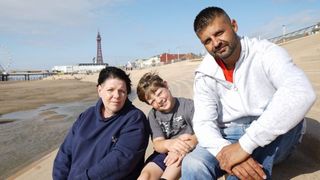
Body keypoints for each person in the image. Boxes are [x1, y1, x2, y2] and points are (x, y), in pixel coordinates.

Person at [181, 6, 316, 180]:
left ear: (234, 26)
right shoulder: (204, 73)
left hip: (272, 132)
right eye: (207, 41)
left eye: (219, 33)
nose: (215, 43)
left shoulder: (265, 52)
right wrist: (225, 151)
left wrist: (244, 146)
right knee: (193, 165)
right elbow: (203, 122)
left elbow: (301, 91)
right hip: (228, 135)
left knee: (241, 177)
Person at [53, 66, 149, 180]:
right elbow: (65, 153)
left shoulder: (135, 119)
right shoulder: (86, 116)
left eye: (122, 91)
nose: (117, 96)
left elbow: (121, 161)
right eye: (110, 90)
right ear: (99, 90)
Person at [136, 72, 197, 180]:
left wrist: (179, 149)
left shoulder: (188, 106)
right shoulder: (153, 115)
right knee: (145, 176)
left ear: (166, 85)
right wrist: (170, 144)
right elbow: (158, 144)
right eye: (152, 101)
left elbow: (201, 134)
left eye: (159, 93)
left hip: (187, 148)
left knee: (171, 168)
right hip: (164, 151)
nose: (159, 100)